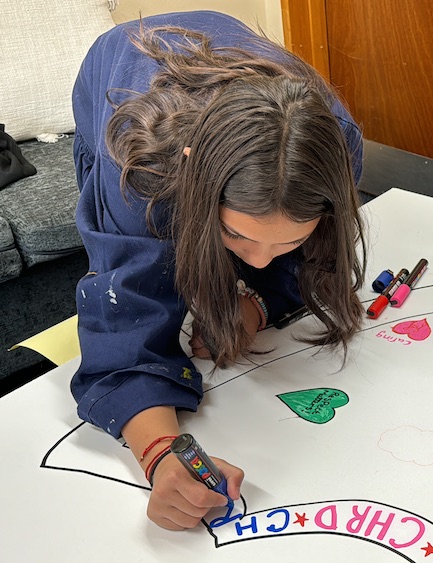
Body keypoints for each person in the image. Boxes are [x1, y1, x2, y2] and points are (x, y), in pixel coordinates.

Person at [70, 11, 367, 530]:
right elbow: (125, 324)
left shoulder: (339, 143)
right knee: (146, 258)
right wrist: (162, 454)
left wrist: (259, 301)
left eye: (288, 239)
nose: (257, 259)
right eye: (238, 236)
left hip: (226, 70)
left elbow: (315, 255)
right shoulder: (139, 163)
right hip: (118, 73)